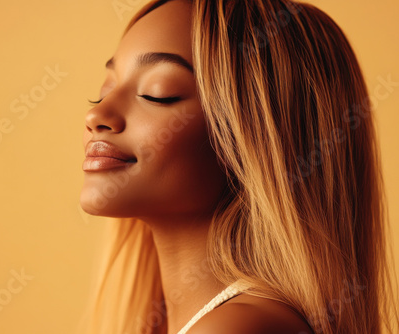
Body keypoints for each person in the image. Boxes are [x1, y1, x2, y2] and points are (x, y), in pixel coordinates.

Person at [79, 0, 399, 333]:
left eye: (158, 93)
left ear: (262, 138)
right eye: (105, 90)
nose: (96, 115)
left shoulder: (239, 327)